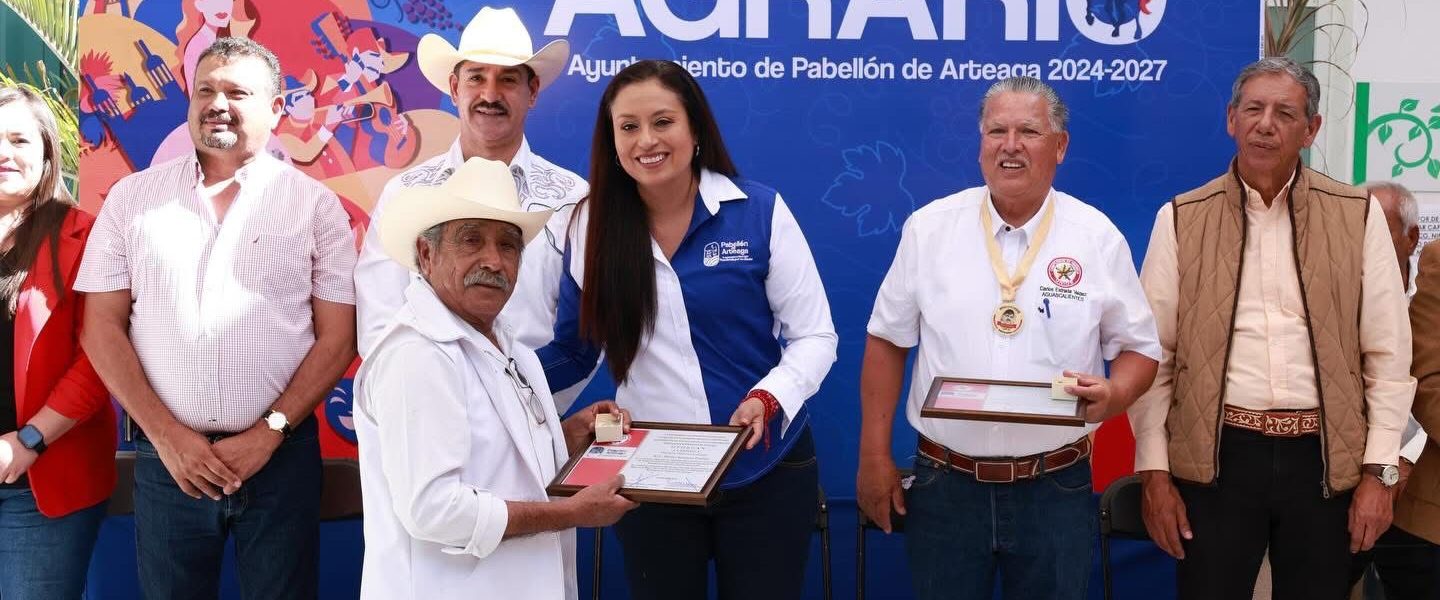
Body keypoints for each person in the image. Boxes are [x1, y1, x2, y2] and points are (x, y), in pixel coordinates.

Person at [536, 59, 837, 600]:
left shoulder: (759, 211)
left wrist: (770, 396)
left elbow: (816, 337)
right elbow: (576, 352)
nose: (646, 140)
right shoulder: (587, 226)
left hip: (765, 464)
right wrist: (495, 381)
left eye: (662, 122)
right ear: (612, 140)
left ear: (694, 128)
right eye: (628, 127)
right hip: (653, 474)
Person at [856, 76, 1161, 600]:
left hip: (1055, 488)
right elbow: (887, 341)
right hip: (944, 484)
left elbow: (1139, 349)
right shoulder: (930, 229)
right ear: (980, 144)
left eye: (1029, 131)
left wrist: (1114, 397)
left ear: (1060, 146)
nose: (1011, 145)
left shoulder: (1095, 236)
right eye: (997, 130)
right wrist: (873, 455)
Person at [76, 38, 357, 599]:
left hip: (279, 461)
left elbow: (338, 337)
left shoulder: (315, 206)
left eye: (237, 92)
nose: (217, 103)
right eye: (205, 90)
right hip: (168, 463)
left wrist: (268, 433)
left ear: (277, 110)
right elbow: (98, 326)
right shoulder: (133, 199)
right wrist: (168, 435)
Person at [1130, 56, 1415, 600]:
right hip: (1215, 462)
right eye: (1253, 109)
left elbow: (1388, 358)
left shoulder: (1356, 216)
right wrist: (1156, 474)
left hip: (1327, 464)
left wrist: (1381, 475)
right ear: (1230, 119)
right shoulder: (1182, 217)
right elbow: (1154, 357)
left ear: (1311, 130)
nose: (1266, 124)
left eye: (1285, 113)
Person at [355, 156, 636, 600]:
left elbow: (494, 457)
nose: (494, 260)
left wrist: (565, 436)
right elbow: (434, 511)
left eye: (508, 245)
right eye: (471, 240)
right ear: (426, 255)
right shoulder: (417, 353)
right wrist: (572, 514)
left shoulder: (507, 345)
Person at [354, 6, 592, 407]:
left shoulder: (572, 198)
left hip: (541, 419)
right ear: (454, 88)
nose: (490, 95)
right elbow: (380, 324)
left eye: (508, 80)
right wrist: (443, 398)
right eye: (476, 77)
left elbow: (585, 336)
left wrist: (511, 406)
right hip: (428, 413)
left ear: (532, 92)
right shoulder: (405, 194)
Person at [0, 84, 116, 599]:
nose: (4, 154)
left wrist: (28, 441)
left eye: (19, 140)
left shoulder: (85, 236)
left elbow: (101, 358)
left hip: (41, 476)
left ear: (48, 152)